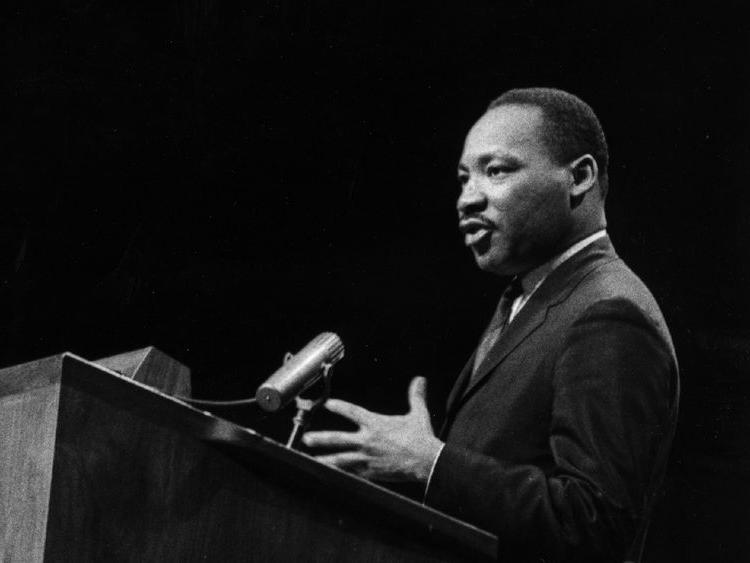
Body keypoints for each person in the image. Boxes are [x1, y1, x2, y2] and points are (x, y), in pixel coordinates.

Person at [302, 87, 679, 562]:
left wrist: (432, 464)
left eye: (495, 171)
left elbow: (593, 523)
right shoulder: (526, 298)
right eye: (463, 180)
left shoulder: (609, 314)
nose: (467, 200)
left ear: (579, 177)